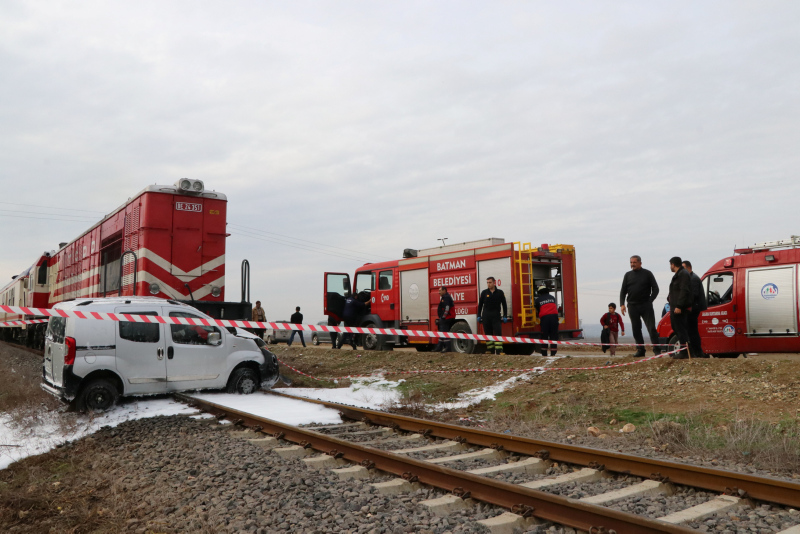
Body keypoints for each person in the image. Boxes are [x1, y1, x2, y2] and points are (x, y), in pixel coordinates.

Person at [619, 255, 661, 358]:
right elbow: (623, 291)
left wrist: (650, 300)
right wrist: (622, 304)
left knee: (651, 328)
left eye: (634, 262)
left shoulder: (647, 273)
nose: (632, 264)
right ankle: (640, 350)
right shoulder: (627, 275)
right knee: (636, 329)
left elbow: (656, 289)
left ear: (640, 263)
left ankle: (657, 350)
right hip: (632, 306)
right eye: (631, 262)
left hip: (646, 305)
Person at [668, 257, 692, 359]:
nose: (670, 267)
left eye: (670, 265)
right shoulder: (678, 275)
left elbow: (684, 290)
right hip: (674, 307)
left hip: (680, 308)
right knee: (676, 328)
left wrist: (679, 306)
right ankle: (684, 350)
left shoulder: (683, 274)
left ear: (673, 264)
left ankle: (685, 352)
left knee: (681, 329)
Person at [682, 260, 708, 358]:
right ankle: (696, 352)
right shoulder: (690, 278)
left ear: (689, 267)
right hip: (691, 308)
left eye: (683, 268)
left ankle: (697, 352)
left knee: (692, 331)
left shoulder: (693, 279)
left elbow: (693, 295)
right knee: (691, 331)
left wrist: (683, 303)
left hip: (693, 309)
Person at [477, 276, 508, 355]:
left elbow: (504, 305)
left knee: (498, 332)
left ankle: (499, 350)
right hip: (486, 316)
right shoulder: (484, 293)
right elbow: (480, 305)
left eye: (490, 282)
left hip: (496, 316)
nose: (489, 284)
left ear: (494, 283)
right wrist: (479, 315)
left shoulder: (500, 293)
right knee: (488, 333)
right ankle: (490, 350)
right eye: (487, 283)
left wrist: (505, 315)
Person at [534, 284, 559, 356]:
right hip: (554, 317)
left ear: (539, 292)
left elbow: (538, 309)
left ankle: (544, 353)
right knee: (553, 335)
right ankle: (553, 353)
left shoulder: (538, 300)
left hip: (545, 318)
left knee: (544, 335)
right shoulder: (552, 297)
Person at [433, 287, 456, 353]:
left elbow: (447, 308)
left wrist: (443, 317)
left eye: (440, 290)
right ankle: (439, 347)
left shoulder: (446, 298)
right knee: (442, 332)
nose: (439, 292)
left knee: (444, 332)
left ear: (444, 290)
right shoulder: (444, 297)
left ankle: (447, 348)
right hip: (446, 317)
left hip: (447, 318)